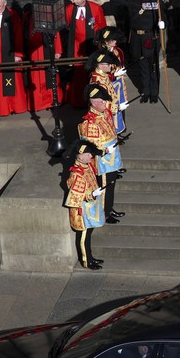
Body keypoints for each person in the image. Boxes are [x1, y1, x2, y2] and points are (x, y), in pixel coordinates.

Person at [107, 0, 168, 104]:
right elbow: (114, 2)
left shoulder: (155, 0)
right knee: (142, 65)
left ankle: (154, 93)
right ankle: (145, 91)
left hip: (150, 37)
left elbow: (164, 16)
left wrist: (163, 24)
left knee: (153, 66)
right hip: (136, 37)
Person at [78, 84, 125, 225]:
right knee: (105, 187)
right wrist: (104, 150)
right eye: (100, 101)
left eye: (103, 100)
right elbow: (91, 145)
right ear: (93, 103)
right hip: (102, 162)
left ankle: (109, 208)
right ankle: (105, 212)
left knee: (111, 184)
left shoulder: (104, 114)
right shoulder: (89, 122)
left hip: (111, 159)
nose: (104, 103)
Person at [64, 140, 105, 270]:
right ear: (80, 156)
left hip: (90, 207)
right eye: (88, 155)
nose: (91, 156)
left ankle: (91, 257)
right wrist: (92, 194)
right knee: (84, 236)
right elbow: (76, 196)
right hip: (82, 211)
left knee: (88, 234)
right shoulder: (77, 173)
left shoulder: (86, 167)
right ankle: (87, 260)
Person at [63, 0, 106, 107]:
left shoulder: (95, 8)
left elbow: (102, 26)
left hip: (91, 45)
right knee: (78, 75)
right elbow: (67, 25)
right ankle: (78, 101)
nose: (74, 1)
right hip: (76, 47)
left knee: (92, 73)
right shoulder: (70, 9)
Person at [24, 8, 63, 112]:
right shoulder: (29, 17)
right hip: (35, 52)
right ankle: (39, 103)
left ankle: (52, 101)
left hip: (48, 50)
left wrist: (58, 50)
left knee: (51, 76)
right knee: (37, 77)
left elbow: (56, 34)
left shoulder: (50, 16)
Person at [95, 27, 128, 131]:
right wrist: (113, 73)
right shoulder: (100, 53)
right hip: (108, 84)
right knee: (109, 108)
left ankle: (121, 128)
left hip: (118, 84)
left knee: (121, 107)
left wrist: (120, 71)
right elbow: (99, 70)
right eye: (112, 40)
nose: (115, 42)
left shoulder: (119, 51)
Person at [86, 49, 126, 135]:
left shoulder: (103, 75)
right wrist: (117, 107)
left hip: (108, 115)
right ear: (100, 65)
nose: (110, 66)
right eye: (108, 64)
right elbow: (99, 103)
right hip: (102, 117)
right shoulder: (97, 82)